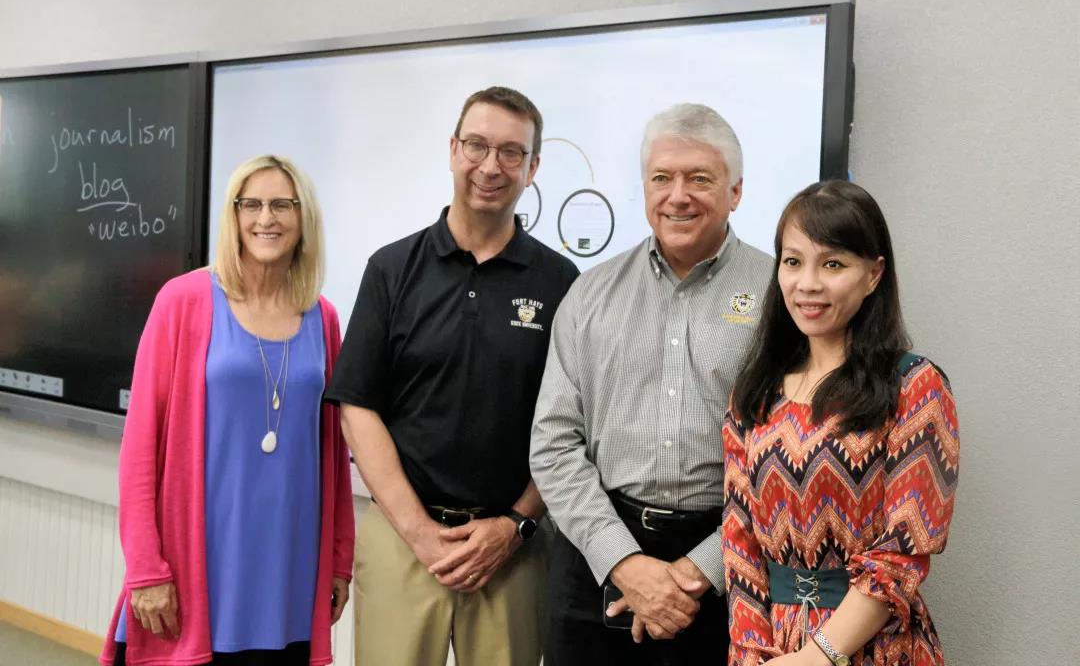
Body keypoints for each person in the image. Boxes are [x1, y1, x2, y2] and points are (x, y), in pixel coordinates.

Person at [324, 86, 579, 666]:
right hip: (402, 538)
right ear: (452, 150)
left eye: (511, 152)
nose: (491, 166)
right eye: (477, 146)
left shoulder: (561, 282)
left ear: (533, 167)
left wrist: (514, 526)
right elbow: (358, 409)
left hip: (512, 550)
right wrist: (418, 531)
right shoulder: (392, 269)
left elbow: (574, 425)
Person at [530, 103, 772, 665]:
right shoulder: (590, 294)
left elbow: (792, 460)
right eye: (662, 178)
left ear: (736, 192)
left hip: (730, 564)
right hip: (596, 556)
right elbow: (553, 442)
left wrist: (699, 570)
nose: (677, 196)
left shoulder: (780, 297)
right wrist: (623, 562)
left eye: (700, 179)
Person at [99, 155, 355, 666]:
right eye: (251, 204)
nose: (266, 218)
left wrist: (339, 560)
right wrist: (145, 567)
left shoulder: (323, 317)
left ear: (303, 216)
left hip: (288, 569)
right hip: (197, 566)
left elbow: (334, 453)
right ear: (233, 215)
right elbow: (140, 444)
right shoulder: (183, 301)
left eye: (282, 205)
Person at [723, 179, 959, 666]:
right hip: (771, 647)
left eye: (832, 264)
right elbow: (738, 541)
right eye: (793, 262)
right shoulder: (755, 392)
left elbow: (902, 553)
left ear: (873, 275)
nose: (807, 283)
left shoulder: (914, 386)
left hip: (875, 647)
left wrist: (817, 657)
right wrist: (751, 655)